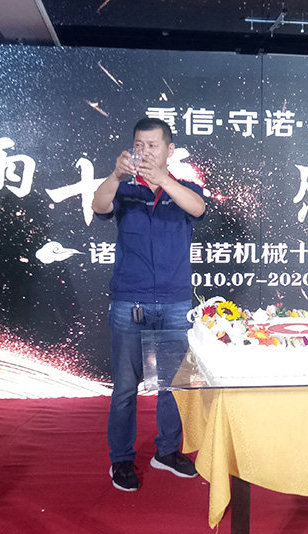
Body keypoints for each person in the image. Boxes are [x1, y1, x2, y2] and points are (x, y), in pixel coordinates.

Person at [92, 117, 206, 492]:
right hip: (131, 301)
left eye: (153, 145)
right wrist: (115, 174)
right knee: (125, 388)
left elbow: (198, 209)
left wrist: (164, 181)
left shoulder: (183, 188)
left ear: (169, 150)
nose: (145, 152)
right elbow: (98, 204)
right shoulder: (124, 189)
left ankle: (167, 451)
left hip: (173, 302)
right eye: (139, 145)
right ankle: (121, 459)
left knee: (170, 385)